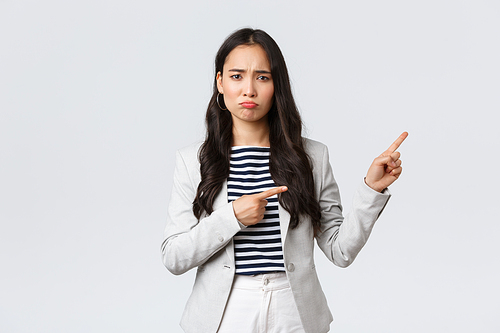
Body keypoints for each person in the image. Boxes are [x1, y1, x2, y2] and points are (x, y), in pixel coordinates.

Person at [161, 28, 407, 333]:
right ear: (220, 83)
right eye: (237, 76)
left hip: (294, 312)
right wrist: (233, 217)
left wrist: (371, 189)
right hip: (225, 313)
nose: (249, 90)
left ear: (276, 85)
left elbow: (339, 251)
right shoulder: (192, 160)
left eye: (262, 77)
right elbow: (174, 257)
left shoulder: (312, 156)